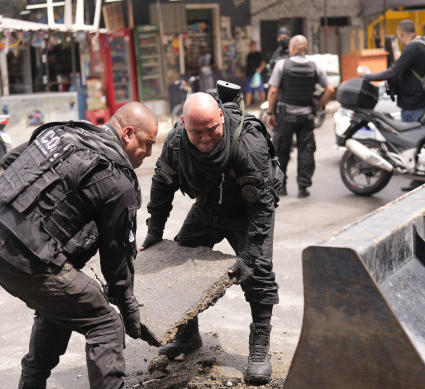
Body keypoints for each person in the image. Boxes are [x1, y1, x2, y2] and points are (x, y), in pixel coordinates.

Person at [0, 102, 158, 389]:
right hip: (24, 260)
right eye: (146, 145)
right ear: (127, 133)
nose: (148, 154)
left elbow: (12, 160)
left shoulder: (64, 134)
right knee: (105, 324)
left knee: (63, 302)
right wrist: (127, 307)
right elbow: (116, 258)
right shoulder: (118, 180)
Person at [140, 91, 280, 384]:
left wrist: (250, 257)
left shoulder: (247, 145)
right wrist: (155, 232)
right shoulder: (177, 143)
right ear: (182, 124)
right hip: (207, 209)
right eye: (196, 132)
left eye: (211, 129)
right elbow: (162, 184)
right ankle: (188, 335)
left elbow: (263, 206)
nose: (205, 138)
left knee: (258, 275)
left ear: (220, 116)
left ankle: (259, 347)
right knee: (179, 261)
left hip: (247, 212)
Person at [363, 19, 425, 191]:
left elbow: (394, 70)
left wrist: (369, 77)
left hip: (412, 103)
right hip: (418, 100)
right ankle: (418, 178)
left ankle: (417, 179)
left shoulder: (413, 48)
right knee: (417, 141)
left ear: (401, 33)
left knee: (411, 142)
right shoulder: (423, 43)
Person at [266, 35, 334, 198]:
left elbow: (274, 90)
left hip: (286, 117)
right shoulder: (314, 67)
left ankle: (280, 187)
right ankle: (303, 187)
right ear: (305, 48)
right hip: (306, 118)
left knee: (281, 150)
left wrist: (269, 112)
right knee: (306, 151)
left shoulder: (283, 65)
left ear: (293, 48)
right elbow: (330, 89)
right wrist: (317, 107)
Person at [245, 40, 266, 107]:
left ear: (255, 46)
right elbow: (247, 66)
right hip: (249, 76)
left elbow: (263, 63)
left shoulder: (259, 54)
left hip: (257, 76)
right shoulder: (249, 55)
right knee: (249, 91)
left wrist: (259, 69)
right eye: (250, 45)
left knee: (261, 90)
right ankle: (248, 105)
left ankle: (263, 104)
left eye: (253, 45)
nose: (252, 47)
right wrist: (245, 74)